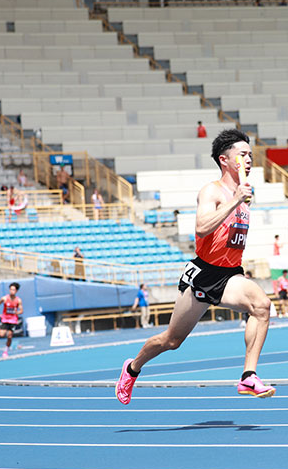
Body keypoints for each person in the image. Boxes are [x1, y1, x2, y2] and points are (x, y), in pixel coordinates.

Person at [116, 129, 274, 403]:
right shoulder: (212, 191)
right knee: (172, 341)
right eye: (242, 154)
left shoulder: (246, 192)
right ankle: (132, 368)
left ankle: (249, 376)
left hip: (229, 274)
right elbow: (201, 228)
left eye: (251, 155)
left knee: (261, 306)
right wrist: (235, 200)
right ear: (225, 160)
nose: (249, 159)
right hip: (203, 275)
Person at [0, 282, 23, 358]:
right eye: (10, 289)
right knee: (1, 335)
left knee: (9, 336)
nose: (11, 291)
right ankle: (5, 332)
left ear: (16, 291)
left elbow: (21, 310)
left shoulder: (18, 300)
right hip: (5, 319)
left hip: (13, 320)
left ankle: (6, 350)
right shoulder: (4, 298)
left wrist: (17, 312)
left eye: (13, 290)